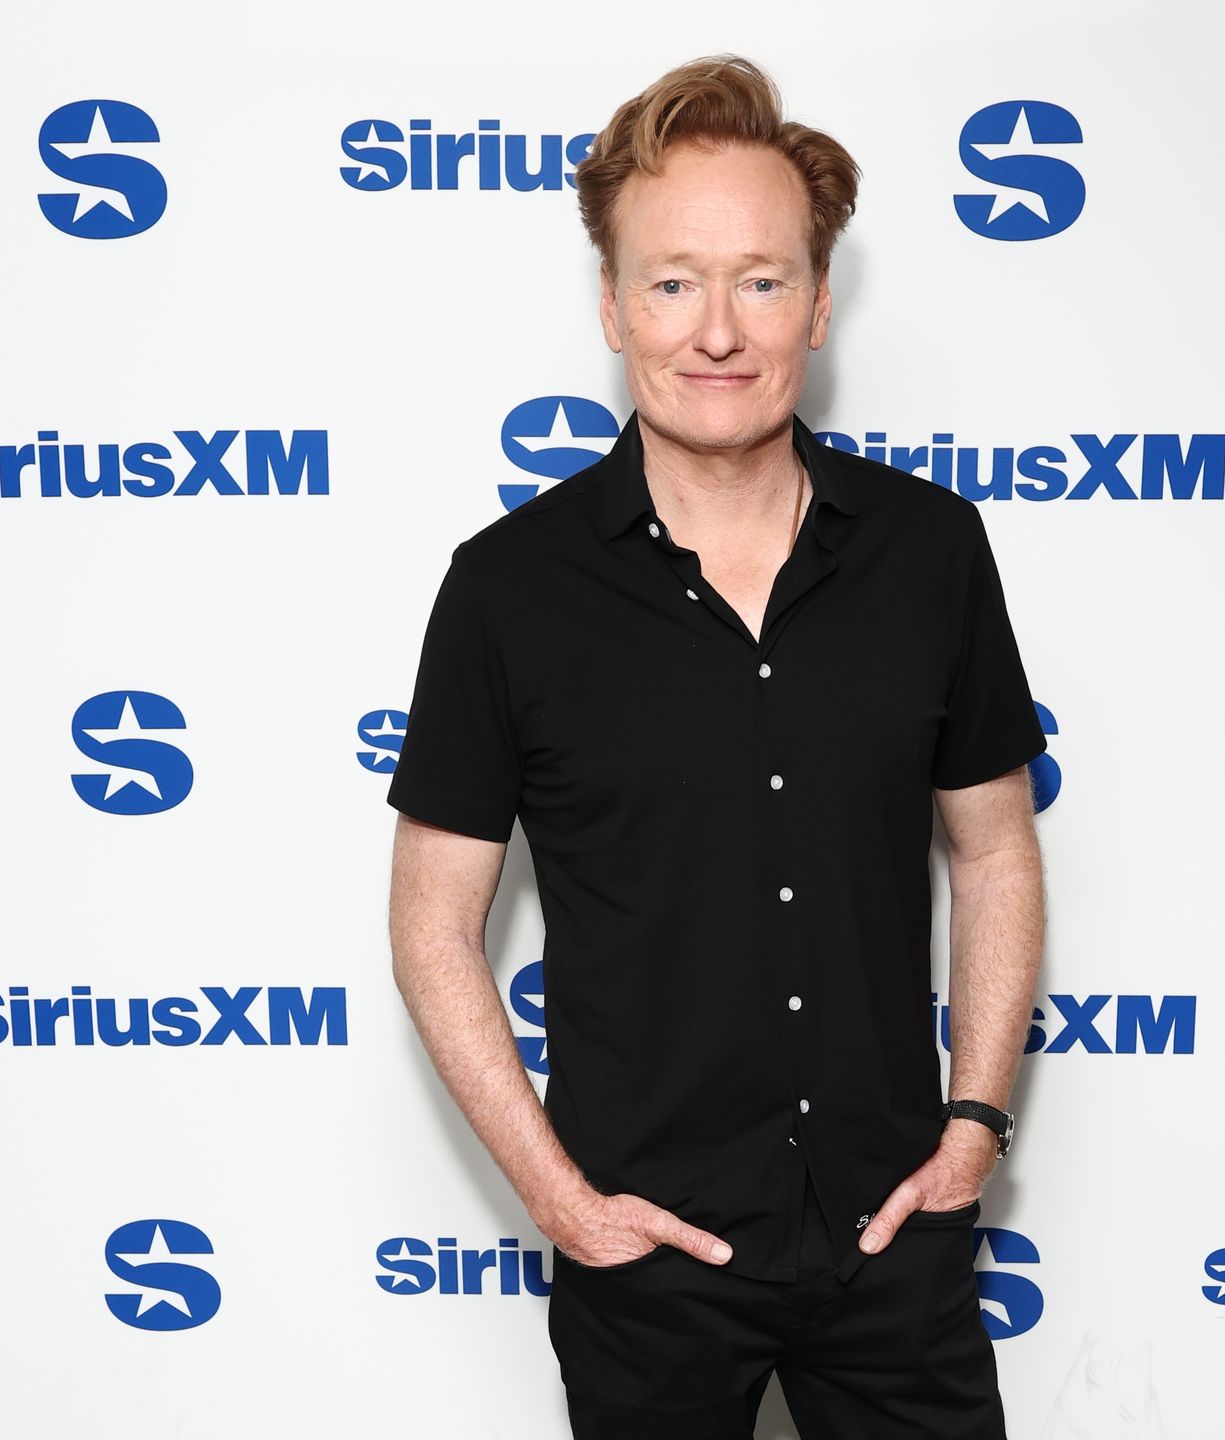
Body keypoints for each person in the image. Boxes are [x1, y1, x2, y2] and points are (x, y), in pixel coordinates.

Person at [386, 53, 1046, 1439]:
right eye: (673, 280)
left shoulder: (930, 552)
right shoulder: (508, 589)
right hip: (647, 1251)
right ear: (616, 306)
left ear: (816, 302)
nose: (717, 329)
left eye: (759, 278)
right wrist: (559, 1202)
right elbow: (433, 925)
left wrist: (972, 1128)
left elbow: (991, 851)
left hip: (891, 1233)